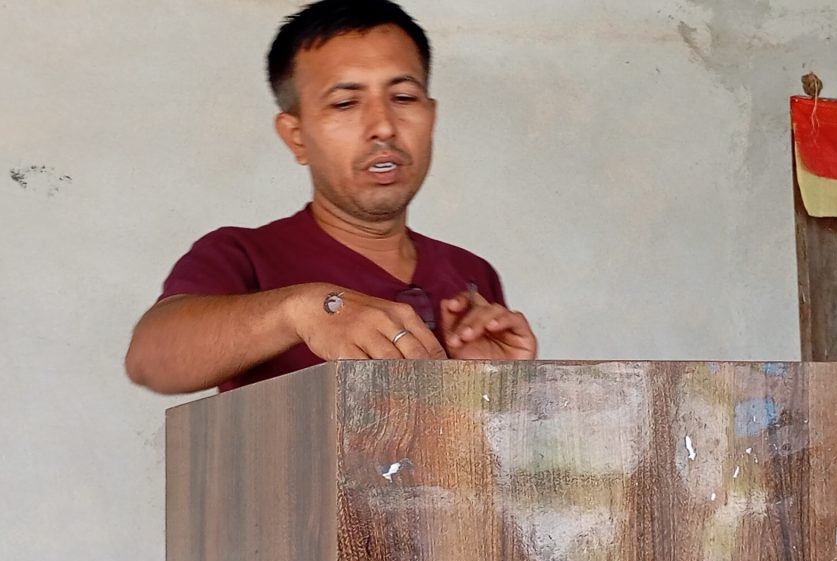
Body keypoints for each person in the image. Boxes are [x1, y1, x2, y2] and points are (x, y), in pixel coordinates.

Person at [125, 0, 537, 394]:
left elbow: (473, 433)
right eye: (345, 103)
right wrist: (301, 310)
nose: (384, 127)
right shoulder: (243, 256)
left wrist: (490, 385)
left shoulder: (471, 274)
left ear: (432, 116)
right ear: (296, 136)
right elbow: (150, 359)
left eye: (403, 97)